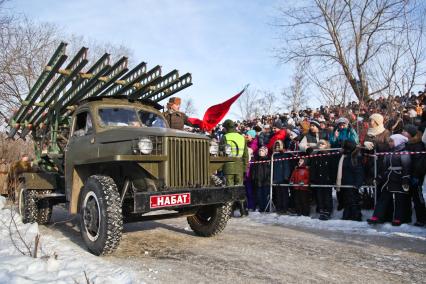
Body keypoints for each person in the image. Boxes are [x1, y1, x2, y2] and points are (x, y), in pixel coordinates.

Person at [367, 134, 411, 226]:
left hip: (399, 178)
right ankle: (377, 216)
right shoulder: (389, 152)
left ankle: (398, 218)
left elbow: (406, 167)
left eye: (392, 141)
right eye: (389, 141)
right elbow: (385, 167)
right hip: (388, 178)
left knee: (399, 200)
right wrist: (379, 177)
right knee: (383, 198)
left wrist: (405, 180)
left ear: (398, 141)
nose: (390, 143)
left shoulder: (404, 152)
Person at [221, 119, 249, 216]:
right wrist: (245, 168)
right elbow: (246, 154)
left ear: (226, 128)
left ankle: (230, 211)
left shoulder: (225, 137)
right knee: (239, 188)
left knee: (230, 188)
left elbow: (221, 153)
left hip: (228, 165)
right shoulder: (242, 137)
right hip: (239, 166)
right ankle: (242, 210)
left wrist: (220, 168)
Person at [402, 124, 426, 226]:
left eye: (405, 131)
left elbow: (420, 162)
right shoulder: (407, 144)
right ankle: (407, 217)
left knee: (417, 197)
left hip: (416, 175)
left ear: (410, 134)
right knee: (406, 197)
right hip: (407, 174)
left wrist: (416, 175)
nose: (403, 132)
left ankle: (422, 219)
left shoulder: (419, 145)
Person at [309, 140, 336, 220]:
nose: (320, 145)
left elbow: (333, 169)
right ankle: (321, 210)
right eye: (319, 143)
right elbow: (313, 168)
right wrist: (313, 179)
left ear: (327, 145)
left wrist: (333, 179)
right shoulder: (316, 156)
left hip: (327, 179)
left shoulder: (330, 156)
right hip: (318, 179)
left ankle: (328, 211)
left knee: (327, 196)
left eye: (323, 144)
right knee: (319, 196)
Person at [336, 141, 363, 221]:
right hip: (345, 182)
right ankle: (347, 215)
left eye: (343, 147)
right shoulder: (344, 156)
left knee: (353, 200)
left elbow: (359, 171)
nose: (341, 149)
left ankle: (356, 216)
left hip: (352, 183)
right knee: (346, 200)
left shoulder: (354, 157)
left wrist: (358, 183)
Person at [251, 146, 271, 212]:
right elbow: (253, 171)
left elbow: (269, 171)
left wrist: (268, 179)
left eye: (262, 151)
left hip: (266, 181)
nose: (260, 152)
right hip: (258, 181)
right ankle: (261, 208)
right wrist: (254, 178)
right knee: (259, 196)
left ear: (265, 152)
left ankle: (266, 209)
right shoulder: (256, 160)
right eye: (259, 150)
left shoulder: (268, 160)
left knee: (265, 195)